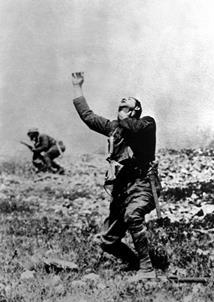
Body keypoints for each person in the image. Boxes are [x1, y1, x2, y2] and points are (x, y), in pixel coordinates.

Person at [71, 72, 161, 281]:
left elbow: (132, 127)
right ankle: (135, 262)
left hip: (142, 184)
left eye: (127, 101)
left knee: (133, 215)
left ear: (136, 109)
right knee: (108, 241)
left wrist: (123, 117)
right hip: (121, 188)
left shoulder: (147, 123)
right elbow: (88, 117)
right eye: (121, 101)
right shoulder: (114, 127)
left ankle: (147, 270)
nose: (123, 100)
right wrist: (78, 88)